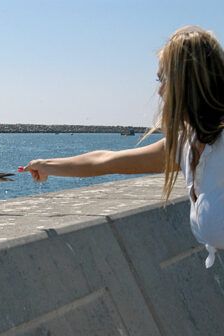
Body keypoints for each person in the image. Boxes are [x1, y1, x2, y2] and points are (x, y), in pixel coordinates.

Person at [22, 26, 224, 268]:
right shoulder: (185, 146)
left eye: (164, 79)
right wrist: (47, 166)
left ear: (188, 81)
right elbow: (106, 161)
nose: (159, 91)